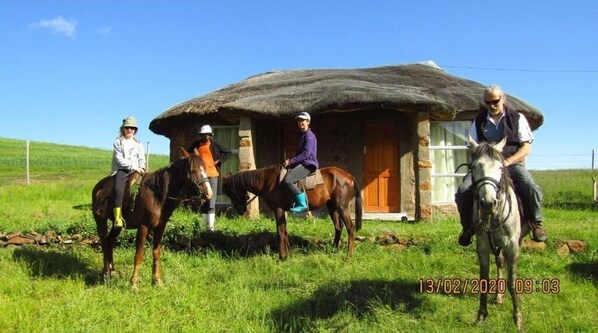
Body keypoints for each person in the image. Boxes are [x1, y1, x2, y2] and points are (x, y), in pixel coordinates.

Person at [455, 85, 547, 246]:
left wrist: (507, 162)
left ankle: (536, 223)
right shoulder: (478, 121)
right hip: (486, 165)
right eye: (488, 102)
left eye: (495, 101)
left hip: (510, 162)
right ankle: (468, 228)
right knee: (463, 191)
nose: (492, 105)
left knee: (530, 186)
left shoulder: (517, 118)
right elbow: (473, 147)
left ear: (503, 99)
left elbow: (526, 148)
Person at [188, 125, 231, 231]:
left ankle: (211, 229)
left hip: (213, 175)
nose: (205, 136)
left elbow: (228, 152)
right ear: (201, 135)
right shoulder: (196, 145)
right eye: (203, 134)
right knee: (203, 201)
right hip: (201, 176)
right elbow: (188, 154)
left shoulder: (214, 143)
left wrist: (219, 161)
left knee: (211, 201)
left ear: (210, 135)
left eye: (207, 134)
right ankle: (204, 228)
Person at [111, 116, 146, 229]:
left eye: (132, 128)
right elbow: (119, 159)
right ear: (123, 129)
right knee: (118, 189)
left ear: (135, 130)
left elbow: (141, 159)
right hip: (122, 170)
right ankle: (117, 218)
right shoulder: (118, 142)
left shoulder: (139, 144)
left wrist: (142, 167)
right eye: (127, 127)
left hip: (137, 170)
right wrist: (134, 167)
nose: (130, 130)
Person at [283, 112, 319, 213]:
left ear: (308, 122)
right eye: (299, 121)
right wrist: (290, 161)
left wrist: (292, 161)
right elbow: (300, 154)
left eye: (302, 120)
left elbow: (306, 154)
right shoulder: (303, 136)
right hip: (303, 163)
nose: (300, 122)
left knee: (288, 181)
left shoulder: (309, 136)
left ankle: (302, 204)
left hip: (308, 164)